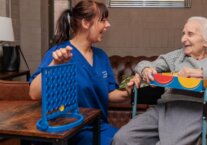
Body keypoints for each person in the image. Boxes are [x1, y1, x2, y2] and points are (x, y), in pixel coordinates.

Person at [112, 16, 207, 145]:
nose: (183, 39)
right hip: (167, 106)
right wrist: (146, 70)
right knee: (122, 139)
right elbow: (144, 64)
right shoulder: (176, 56)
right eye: (183, 33)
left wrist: (202, 73)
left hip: (201, 109)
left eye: (190, 34)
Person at [29, 1, 134, 145]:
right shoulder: (59, 53)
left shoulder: (101, 56)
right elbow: (33, 93)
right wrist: (55, 65)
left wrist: (127, 92)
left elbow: (109, 93)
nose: (107, 25)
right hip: (72, 131)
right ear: (86, 23)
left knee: (133, 140)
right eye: (103, 20)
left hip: (99, 127)